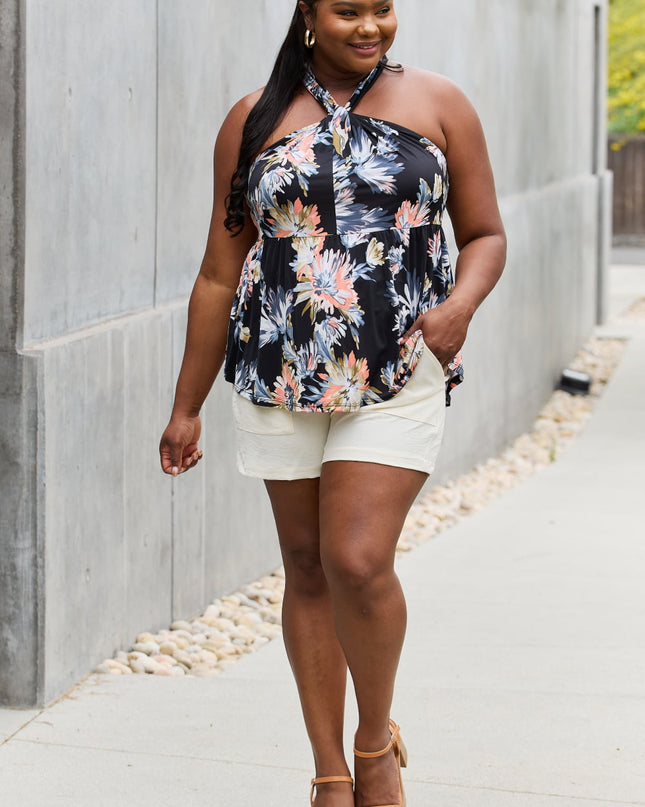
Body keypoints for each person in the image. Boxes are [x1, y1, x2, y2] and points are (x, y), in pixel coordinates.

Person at [159, 1, 506, 805]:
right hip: (278, 369)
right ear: (309, 14)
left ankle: (374, 742)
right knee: (308, 566)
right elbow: (218, 270)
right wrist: (186, 404)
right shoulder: (252, 118)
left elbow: (485, 233)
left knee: (355, 558)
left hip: (397, 368)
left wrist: (458, 308)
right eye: (348, 10)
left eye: (382, 7)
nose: (370, 26)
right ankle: (327, 772)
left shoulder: (439, 103)